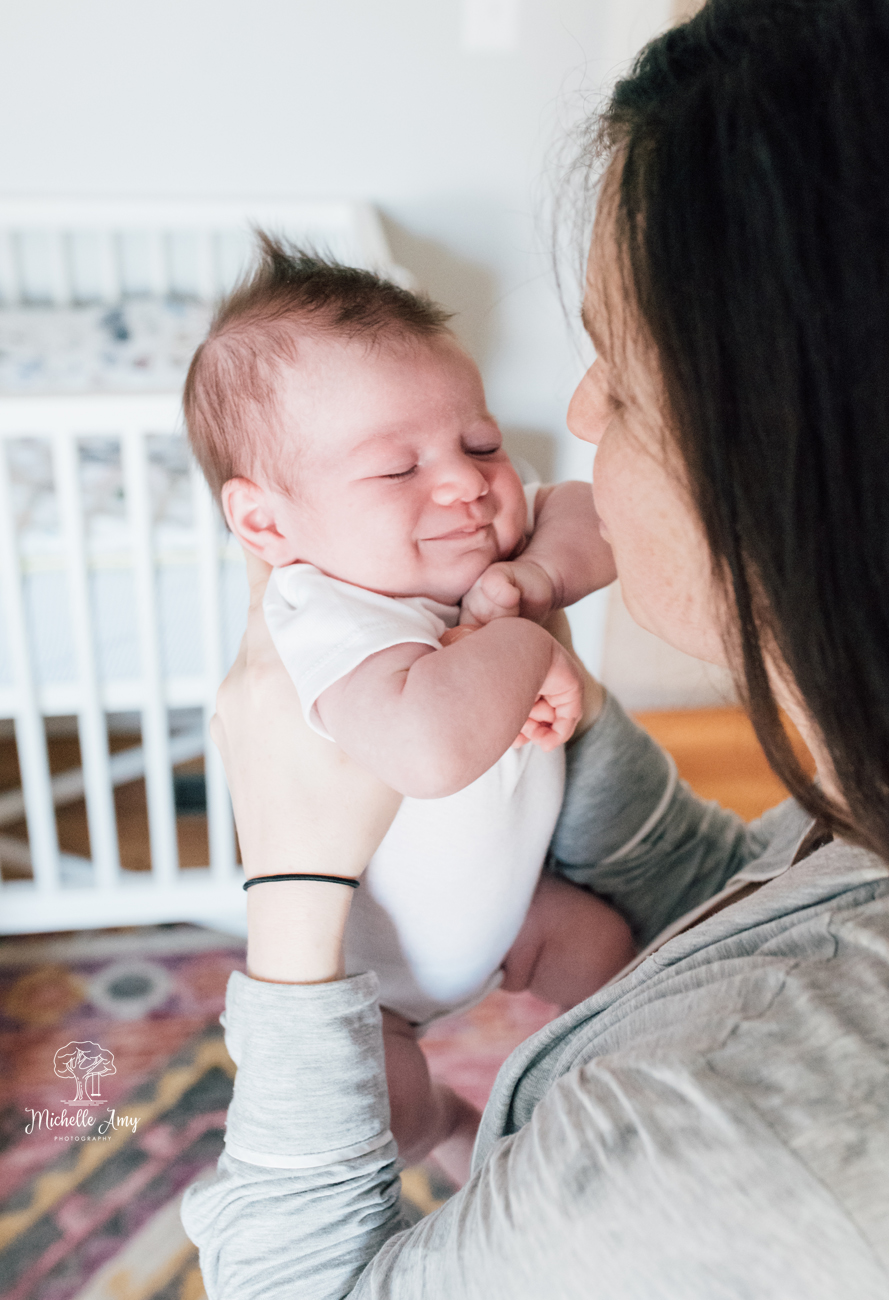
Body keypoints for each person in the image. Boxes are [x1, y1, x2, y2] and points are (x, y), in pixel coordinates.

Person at [182, 0, 889, 1297]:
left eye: (612, 368)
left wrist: (293, 895)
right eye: (400, 466)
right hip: (424, 957)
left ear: (801, 453)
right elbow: (734, 914)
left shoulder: (722, 1150)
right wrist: (540, 673)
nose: (563, 422)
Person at [181, 247, 631, 1179]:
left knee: (604, 947)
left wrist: (537, 578)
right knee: (383, 1104)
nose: (465, 484)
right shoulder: (326, 614)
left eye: (479, 444)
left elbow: (592, 510)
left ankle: (614, 1109)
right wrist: (533, 641)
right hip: (366, 982)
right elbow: (427, 750)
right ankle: (449, 1129)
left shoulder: (487, 563)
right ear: (268, 526)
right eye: (397, 471)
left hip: (510, 909)